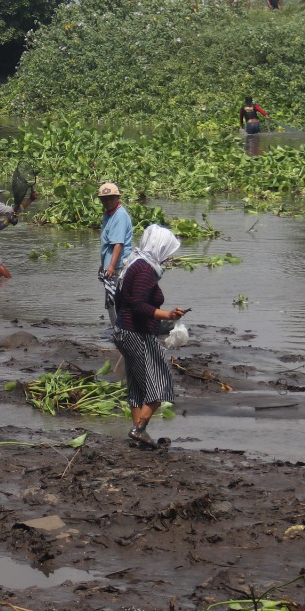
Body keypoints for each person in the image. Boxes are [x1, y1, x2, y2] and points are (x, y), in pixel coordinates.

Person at [112, 224, 187, 446]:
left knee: (136, 385)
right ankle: (140, 428)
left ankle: (138, 436)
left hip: (123, 331)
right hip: (137, 334)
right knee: (161, 383)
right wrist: (168, 314)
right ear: (160, 246)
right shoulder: (145, 269)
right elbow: (138, 304)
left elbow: (120, 301)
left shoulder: (132, 263)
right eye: (168, 251)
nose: (168, 257)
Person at [98, 182, 134, 327]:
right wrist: (104, 265)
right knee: (112, 300)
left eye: (111, 198)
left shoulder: (119, 216)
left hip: (118, 266)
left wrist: (111, 266)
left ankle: (120, 330)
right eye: (104, 199)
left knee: (113, 300)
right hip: (111, 265)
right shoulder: (108, 215)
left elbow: (118, 243)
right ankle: (119, 329)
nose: (107, 201)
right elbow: (108, 244)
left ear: (118, 198)